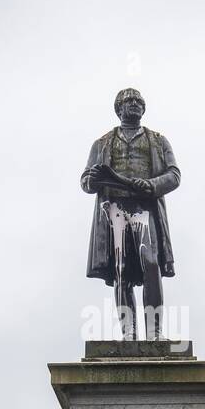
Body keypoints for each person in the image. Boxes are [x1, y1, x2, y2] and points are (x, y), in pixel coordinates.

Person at [82, 88, 181, 341]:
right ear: (119, 109)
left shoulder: (158, 141)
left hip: (145, 209)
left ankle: (154, 332)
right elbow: (85, 181)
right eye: (129, 101)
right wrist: (91, 181)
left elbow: (173, 175)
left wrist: (152, 185)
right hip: (115, 211)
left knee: (150, 264)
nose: (135, 104)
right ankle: (129, 332)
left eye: (139, 101)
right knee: (121, 269)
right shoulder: (101, 143)